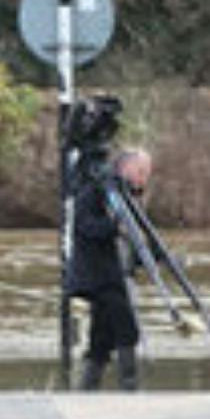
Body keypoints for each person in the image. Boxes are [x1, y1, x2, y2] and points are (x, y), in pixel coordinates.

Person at [67, 147, 153, 391]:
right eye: (141, 171)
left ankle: (87, 388)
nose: (144, 178)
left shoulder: (127, 197)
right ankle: (130, 386)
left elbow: (136, 239)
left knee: (101, 338)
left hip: (115, 274)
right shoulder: (95, 191)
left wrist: (157, 258)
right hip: (97, 276)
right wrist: (114, 226)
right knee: (126, 327)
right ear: (125, 168)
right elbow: (85, 227)